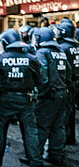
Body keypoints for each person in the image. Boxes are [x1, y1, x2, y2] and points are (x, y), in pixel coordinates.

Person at [0, 29, 43, 167]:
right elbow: (40, 78)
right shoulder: (31, 58)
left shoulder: (0, 57)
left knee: (0, 130)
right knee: (30, 131)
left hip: (5, 99)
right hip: (26, 99)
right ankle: (36, 161)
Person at [34, 27, 72, 166]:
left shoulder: (42, 52)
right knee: (58, 126)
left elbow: (42, 76)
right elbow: (69, 73)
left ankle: (35, 157)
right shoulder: (60, 52)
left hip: (48, 96)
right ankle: (56, 155)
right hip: (62, 94)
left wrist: (41, 93)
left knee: (42, 127)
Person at [56, 20, 79, 145]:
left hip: (67, 84)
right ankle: (71, 138)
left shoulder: (63, 48)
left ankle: (63, 140)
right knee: (71, 112)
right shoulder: (76, 46)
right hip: (76, 83)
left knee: (64, 114)